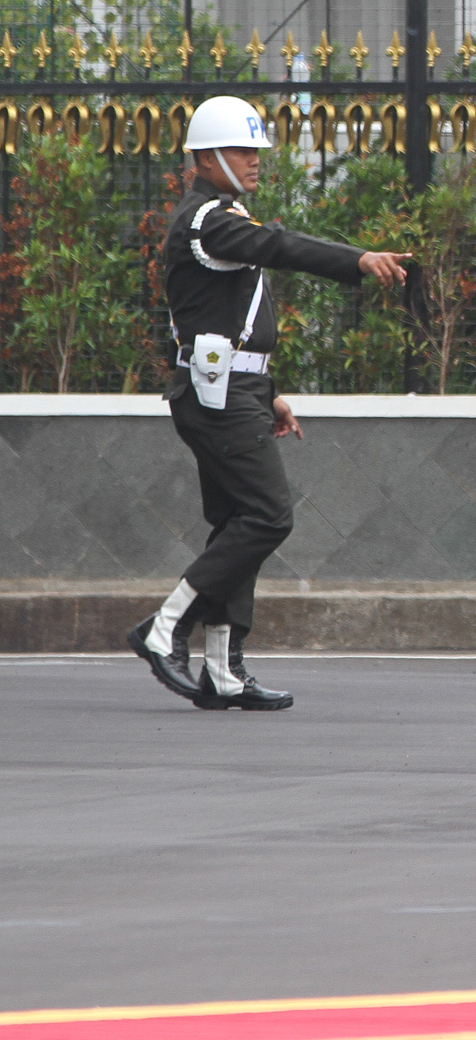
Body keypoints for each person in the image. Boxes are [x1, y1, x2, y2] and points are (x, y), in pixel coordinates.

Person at [126, 96, 411, 711]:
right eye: (241, 151)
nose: (255, 162)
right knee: (267, 517)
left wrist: (268, 390)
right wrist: (357, 260)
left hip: (234, 389)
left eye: (256, 151)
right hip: (218, 398)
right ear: (205, 157)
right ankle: (164, 627)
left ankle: (224, 671)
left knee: (238, 525)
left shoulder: (225, 217)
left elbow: (229, 320)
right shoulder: (208, 220)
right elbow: (281, 246)